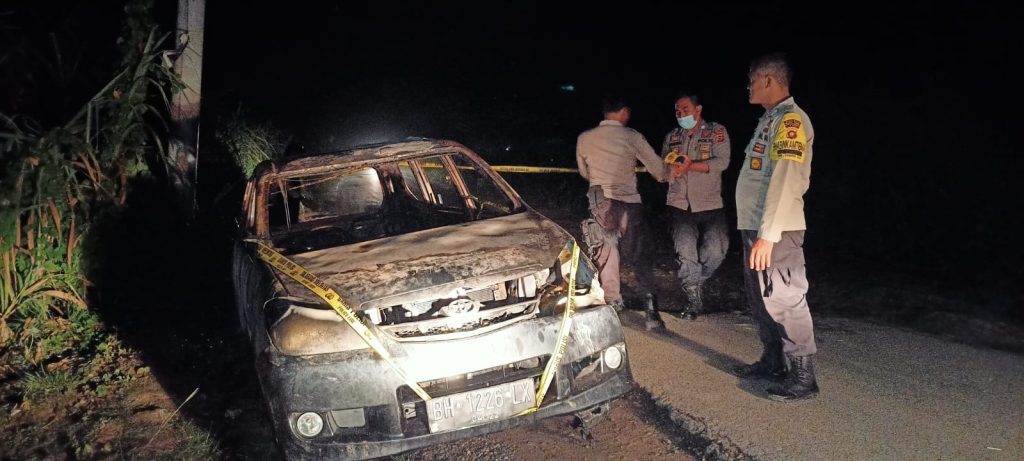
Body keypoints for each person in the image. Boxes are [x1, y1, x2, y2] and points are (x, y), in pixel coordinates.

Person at [732, 53, 819, 401]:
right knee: (761, 297)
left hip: (776, 231)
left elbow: (785, 179)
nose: (749, 87)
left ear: (768, 80)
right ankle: (773, 360)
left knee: (784, 298)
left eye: (752, 80)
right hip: (756, 227)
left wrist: (768, 235)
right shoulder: (770, 120)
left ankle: (803, 376)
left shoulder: (791, 121)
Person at [576, 95, 669, 311]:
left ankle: (613, 299)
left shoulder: (585, 138)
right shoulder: (632, 136)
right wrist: (671, 171)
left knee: (606, 251)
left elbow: (584, 172)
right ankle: (649, 300)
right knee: (638, 252)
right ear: (624, 111)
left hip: (600, 202)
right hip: (628, 203)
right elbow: (658, 170)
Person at [660, 92, 731, 320]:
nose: (681, 114)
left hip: (710, 202)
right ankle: (692, 300)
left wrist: (690, 166)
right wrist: (668, 171)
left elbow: (722, 161)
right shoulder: (672, 137)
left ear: (698, 109)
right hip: (679, 203)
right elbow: (664, 164)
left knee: (717, 251)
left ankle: (696, 280)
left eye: (685, 110)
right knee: (686, 253)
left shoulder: (716, 132)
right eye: (677, 111)